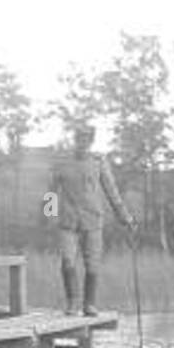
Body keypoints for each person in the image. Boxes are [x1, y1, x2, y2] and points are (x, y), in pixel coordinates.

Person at [48, 125, 136, 316]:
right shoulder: (62, 163)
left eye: (87, 140)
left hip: (93, 220)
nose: (83, 143)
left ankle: (89, 305)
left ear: (91, 142)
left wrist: (124, 217)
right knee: (67, 261)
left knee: (93, 264)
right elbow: (51, 192)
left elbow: (111, 190)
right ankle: (73, 303)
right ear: (75, 140)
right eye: (79, 139)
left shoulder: (99, 162)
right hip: (67, 222)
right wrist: (48, 218)